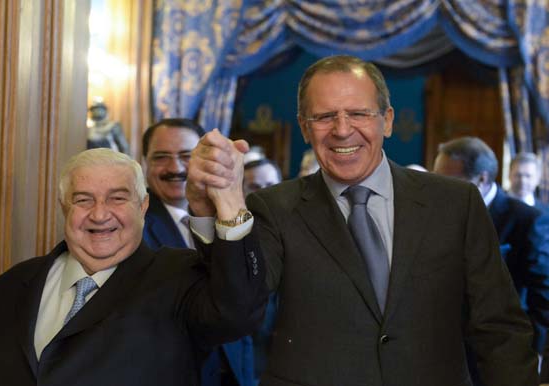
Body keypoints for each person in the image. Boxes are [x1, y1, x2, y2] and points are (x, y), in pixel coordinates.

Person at [186, 55, 538, 386]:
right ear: (305, 129)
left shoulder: (455, 203)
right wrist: (217, 206)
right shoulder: (274, 207)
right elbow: (237, 313)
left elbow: (498, 327)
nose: (342, 130)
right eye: (324, 117)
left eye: (358, 113)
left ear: (387, 121)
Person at [0, 148, 267, 386]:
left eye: (117, 198)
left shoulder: (180, 278)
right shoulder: (8, 288)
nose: (100, 214)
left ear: (142, 207)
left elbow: (238, 313)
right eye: (83, 200)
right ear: (64, 207)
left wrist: (229, 204)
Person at [433, 137, 549, 357]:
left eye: (446, 179)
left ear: (481, 179)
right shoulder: (436, 214)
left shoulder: (528, 220)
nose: (437, 187)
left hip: (504, 349)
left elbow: (543, 297)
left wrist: (533, 357)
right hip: (445, 349)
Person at [142, 118, 204, 250]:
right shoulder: (133, 224)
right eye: (161, 157)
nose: (176, 169)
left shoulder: (223, 216)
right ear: (144, 162)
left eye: (187, 156)